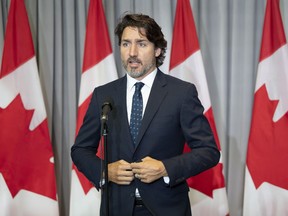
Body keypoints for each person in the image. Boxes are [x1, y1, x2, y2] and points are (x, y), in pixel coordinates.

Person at [71, 13, 220, 216]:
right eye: (125, 44)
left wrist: (164, 168)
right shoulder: (103, 95)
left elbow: (208, 151)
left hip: (167, 209)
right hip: (116, 208)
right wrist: (105, 171)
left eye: (141, 44)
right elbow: (80, 150)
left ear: (157, 49)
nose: (132, 52)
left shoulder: (181, 93)